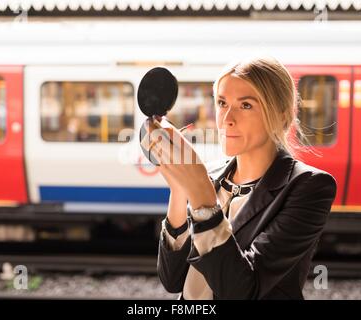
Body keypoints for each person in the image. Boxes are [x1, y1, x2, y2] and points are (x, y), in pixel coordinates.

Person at [141, 57, 337, 300]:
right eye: (222, 103)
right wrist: (180, 189)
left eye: (246, 105)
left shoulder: (309, 186)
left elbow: (244, 291)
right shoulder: (210, 176)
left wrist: (201, 194)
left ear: (283, 115)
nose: (227, 118)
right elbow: (173, 280)